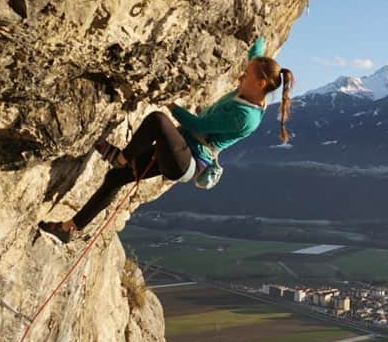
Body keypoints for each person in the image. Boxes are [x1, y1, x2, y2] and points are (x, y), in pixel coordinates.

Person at [38, 37, 293, 243]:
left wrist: (170, 104)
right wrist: (259, 40)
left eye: (246, 75)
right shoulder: (252, 89)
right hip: (179, 148)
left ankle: (122, 157)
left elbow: (197, 125)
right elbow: (255, 56)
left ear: (260, 84)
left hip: (187, 161)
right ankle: (70, 228)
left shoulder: (245, 117)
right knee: (116, 178)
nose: (241, 77)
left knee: (158, 121)